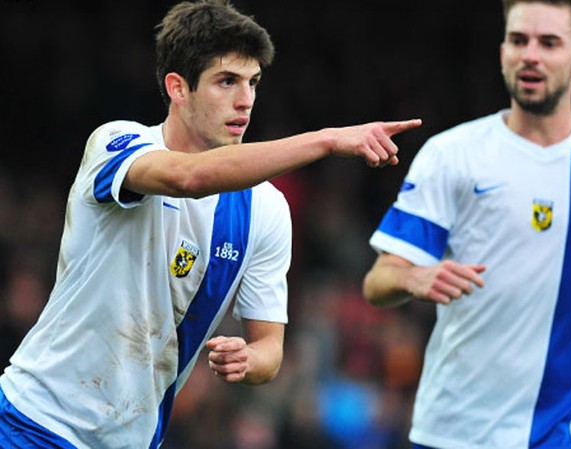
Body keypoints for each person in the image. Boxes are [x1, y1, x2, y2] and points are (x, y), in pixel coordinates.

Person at [0, 1, 421, 448]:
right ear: (178, 89)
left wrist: (248, 360)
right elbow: (189, 177)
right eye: (227, 81)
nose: (246, 100)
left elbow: (269, 350)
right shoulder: (116, 144)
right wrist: (325, 139)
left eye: (253, 82)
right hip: (33, 422)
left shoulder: (266, 209)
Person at [362, 0, 571, 448]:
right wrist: (415, 277)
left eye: (549, 43)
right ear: (502, 54)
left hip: (566, 432)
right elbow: (378, 283)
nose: (530, 55)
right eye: (519, 40)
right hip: (454, 430)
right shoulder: (452, 154)